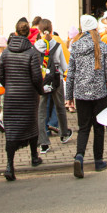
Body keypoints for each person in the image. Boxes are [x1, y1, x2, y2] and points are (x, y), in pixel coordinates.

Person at [65, 15, 107, 179]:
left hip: (81, 94)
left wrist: (69, 97)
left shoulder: (75, 47)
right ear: (95, 28)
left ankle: (79, 156)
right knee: (98, 127)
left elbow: (71, 74)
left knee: (83, 127)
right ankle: (98, 160)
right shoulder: (102, 46)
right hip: (100, 93)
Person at [0, 18, 44, 181]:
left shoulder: (7, 51)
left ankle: (10, 165)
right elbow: (37, 76)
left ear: (16, 32)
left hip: (11, 96)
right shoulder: (31, 52)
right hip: (28, 96)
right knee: (31, 126)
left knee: (11, 130)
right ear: (29, 33)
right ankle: (34, 156)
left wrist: (9, 85)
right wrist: (39, 90)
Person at [35, 19, 72, 153]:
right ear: (51, 30)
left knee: (41, 111)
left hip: (42, 80)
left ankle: (43, 142)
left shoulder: (35, 47)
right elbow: (64, 65)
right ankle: (64, 133)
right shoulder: (56, 45)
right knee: (60, 106)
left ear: (39, 31)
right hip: (56, 79)